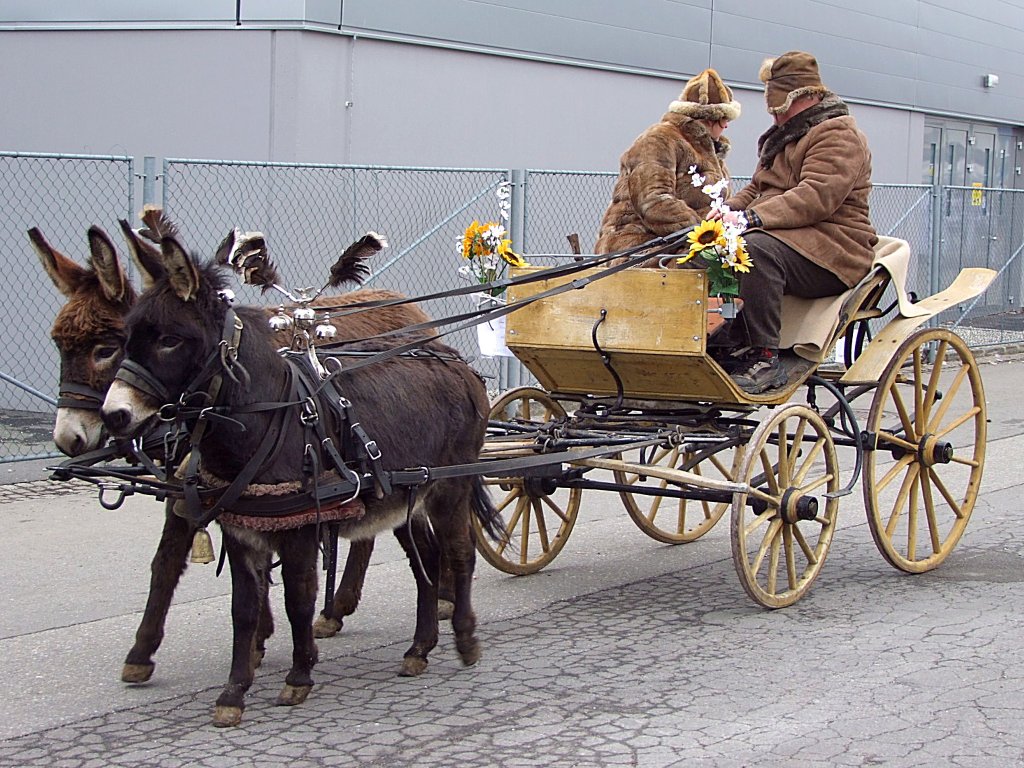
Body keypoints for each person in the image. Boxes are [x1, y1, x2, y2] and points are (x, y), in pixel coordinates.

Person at [713, 50, 879, 394]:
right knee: (712, 250)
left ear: (808, 97)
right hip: (793, 240)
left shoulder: (838, 135)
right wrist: (725, 214)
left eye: (781, 109)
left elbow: (816, 196)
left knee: (755, 250)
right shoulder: (789, 135)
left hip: (834, 250)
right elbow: (758, 189)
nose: (776, 118)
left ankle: (764, 356)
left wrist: (753, 218)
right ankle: (726, 337)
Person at [594, 68, 740, 259]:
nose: (726, 125)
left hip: (681, 243)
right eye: (723, 118)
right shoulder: (659, 140)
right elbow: (653, 201)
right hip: (638, 244)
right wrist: (704, 233)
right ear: (706, 117)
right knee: (706, 262)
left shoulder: (712, 153)